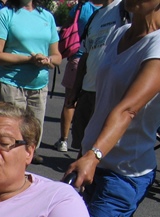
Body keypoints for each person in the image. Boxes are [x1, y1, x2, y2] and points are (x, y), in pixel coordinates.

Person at [65, 0, 160, 217]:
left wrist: (94, 155)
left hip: (124, 170)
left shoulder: (158, 45)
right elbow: (101, 97)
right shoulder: (119, 33)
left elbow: (128, 109)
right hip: (95, 159)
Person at [0, 0, 62, 164]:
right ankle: (3, 181)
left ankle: (21, 181)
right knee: (8, 139)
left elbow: (57, 56)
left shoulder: (46, 17)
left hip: (39, 87)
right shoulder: (6, 14)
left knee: (32, 139)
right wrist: (29, 59)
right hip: (11, 84)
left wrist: (47, 60)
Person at [68, 0, 129, 152]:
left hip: (109, 92)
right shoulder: (95, 16)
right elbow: (85, 54)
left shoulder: (125, 9)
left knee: (101, 147)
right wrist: (75, 89)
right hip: (88, 90)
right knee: (83, 143)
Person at [53, 0, 100, 153]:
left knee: (70, 100)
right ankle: (89, 142)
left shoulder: (81, 7)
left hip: (77, 56)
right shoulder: (113, 11)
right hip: (99, 60)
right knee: (95, 103)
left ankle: (63, 140)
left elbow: (66, 27)